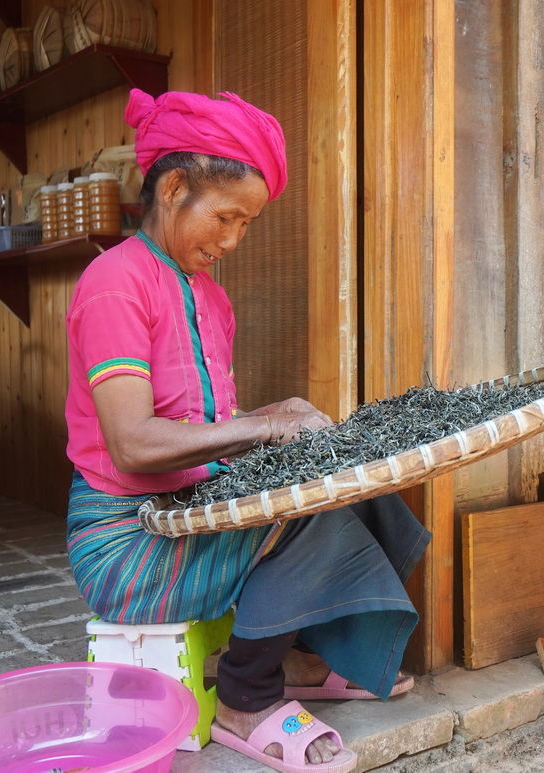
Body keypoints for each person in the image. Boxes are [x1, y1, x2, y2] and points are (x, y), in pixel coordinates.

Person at [65, 89, 430, 773]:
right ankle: (245, 697)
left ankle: (305, 657)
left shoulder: (209, 296)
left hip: (190, 509)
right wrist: (263, 427)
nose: (232, 240)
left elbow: (206, 431)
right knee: (309, 516)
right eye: (225, 216)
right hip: (129, 538)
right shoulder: (115, 283)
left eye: (246, 224)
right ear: (173, 189)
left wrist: (274, 412)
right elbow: (134, 443)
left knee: (360, 488)